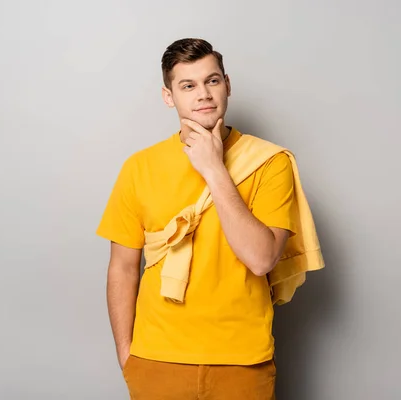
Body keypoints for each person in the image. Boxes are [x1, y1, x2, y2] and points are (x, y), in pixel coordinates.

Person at [97, 38, 323, 400]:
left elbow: (261, 258)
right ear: (169, 95)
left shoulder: (270, 163)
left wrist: (214, 169)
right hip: (156, 358)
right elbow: (122, 268)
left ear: (227, 85)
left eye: (212, 81)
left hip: (242, 361)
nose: (203, 94)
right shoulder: (139, 167)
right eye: (188, 85)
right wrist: (127, 355)